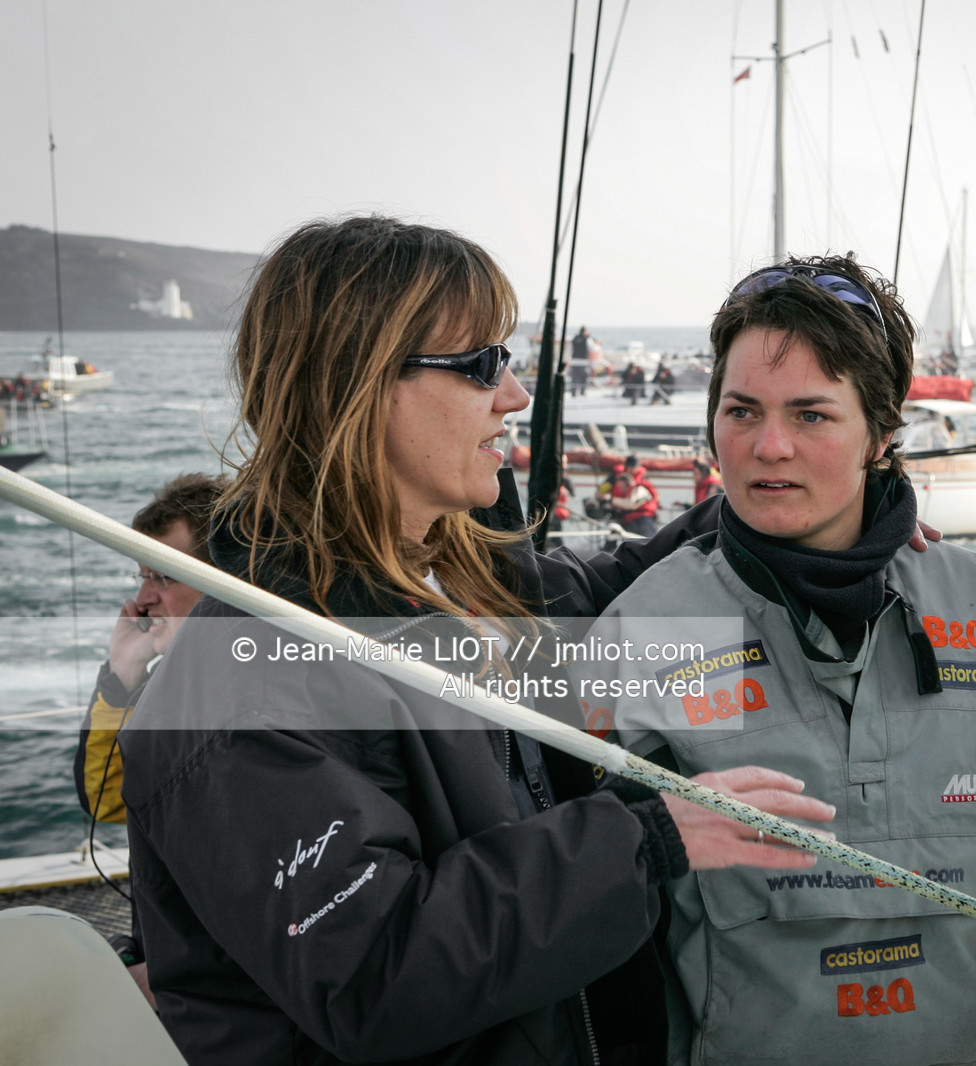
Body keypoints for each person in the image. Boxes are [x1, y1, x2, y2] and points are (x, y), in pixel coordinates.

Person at [117, 216, 839, 1066]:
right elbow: (373, 973)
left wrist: (817, 504)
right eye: (480, 366)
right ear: (356, 386)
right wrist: (645, 841)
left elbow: (637, 576)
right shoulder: (239, 683)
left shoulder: (474, 588)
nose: (514, 395)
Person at [580, 255, 976, 1065]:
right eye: (741, 411)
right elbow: (582, 905)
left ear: (883, 435)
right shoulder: (643, 629)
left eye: (812, 415)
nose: (768, 446)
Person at [73, 472, 227, 1009]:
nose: (143, 599)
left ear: (225, 577)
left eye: (163, 576)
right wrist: (120, 680)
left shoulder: (256, 699)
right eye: (141, 577)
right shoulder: (172, 688)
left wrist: (177, 983)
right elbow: (109, 798)